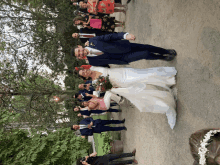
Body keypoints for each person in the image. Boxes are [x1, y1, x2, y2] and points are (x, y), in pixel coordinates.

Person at [76, 66, 177, 129]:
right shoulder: (94, 83)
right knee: (142, 92)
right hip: (121, 85)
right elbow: (106, 89)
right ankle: (164, 102)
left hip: (124, 73)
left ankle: (167, 80)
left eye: (84, 70)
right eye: (83, 74)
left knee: (144, 75)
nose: (85, 72)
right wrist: (108, 88)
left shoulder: (94, 66)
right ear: (85, 78)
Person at [72, 32, 177, 67]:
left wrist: (125, 35)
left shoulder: (92, 41)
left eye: (79, 50)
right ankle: (162, 57)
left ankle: (166, 51)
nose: (81, 52)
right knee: (145, 54)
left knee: (146, 47)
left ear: (80, 46)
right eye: (79, 54)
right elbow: (105, 68)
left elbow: (110, 37)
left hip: (123, 46)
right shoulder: (91, 61)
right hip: (123, 58)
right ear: (79, 57)